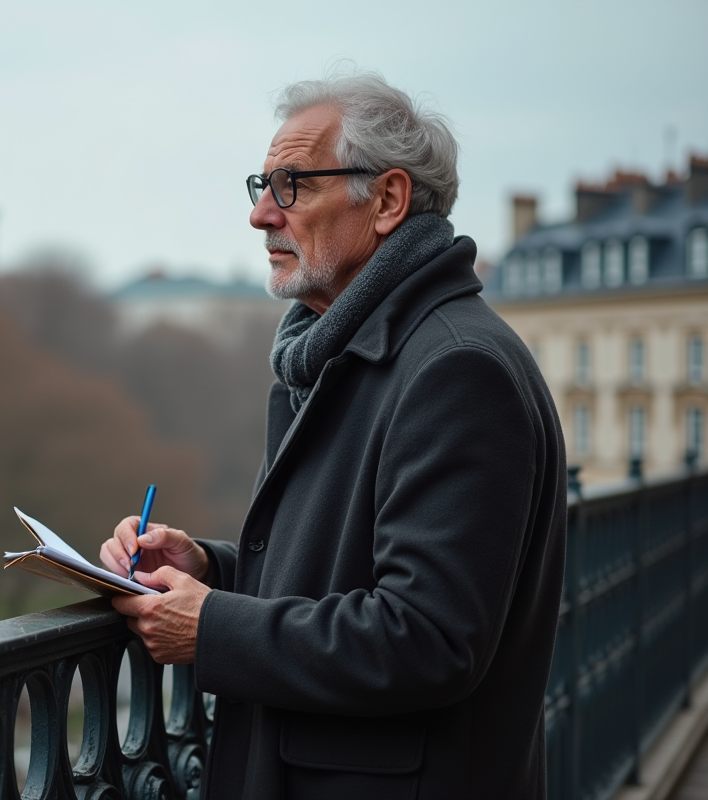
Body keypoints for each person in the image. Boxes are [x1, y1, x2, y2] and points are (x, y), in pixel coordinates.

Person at [100, 70, 566, 799]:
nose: (261, 216)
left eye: (292, 187)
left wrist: (212, 629)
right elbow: (346, 574)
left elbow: (429, 638)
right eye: (261, 186)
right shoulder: (346, 352)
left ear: (387, 201)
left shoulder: (454, 369)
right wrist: (210, 571)